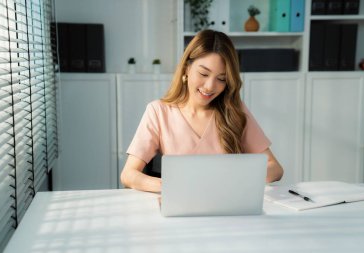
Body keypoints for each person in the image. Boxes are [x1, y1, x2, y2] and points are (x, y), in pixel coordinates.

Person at [120, 29, 283, 193]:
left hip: (227, 208)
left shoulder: (234, 110)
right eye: (204, 73)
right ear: (186, 69)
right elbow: (128, 175)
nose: (210, 86)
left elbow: (275, 168)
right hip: (181, 206)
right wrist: (171, 187)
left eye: (221, 79)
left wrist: (238, 178)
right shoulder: (158, 112)